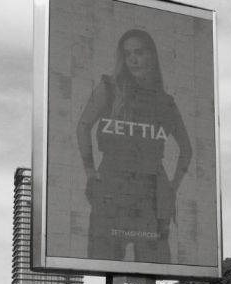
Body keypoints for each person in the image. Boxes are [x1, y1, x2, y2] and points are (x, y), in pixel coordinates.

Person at [76, 29, 192, 263]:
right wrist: (89, 170)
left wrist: (171, 187)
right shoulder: (109, 88)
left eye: (139, 52)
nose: (133, 59)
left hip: (151, 192)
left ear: (153, 55)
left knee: (154, 260)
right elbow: (83, 126)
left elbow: (186, 149)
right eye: (127, 54)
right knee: (104, 255)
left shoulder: (165, 102)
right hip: (111, 186)